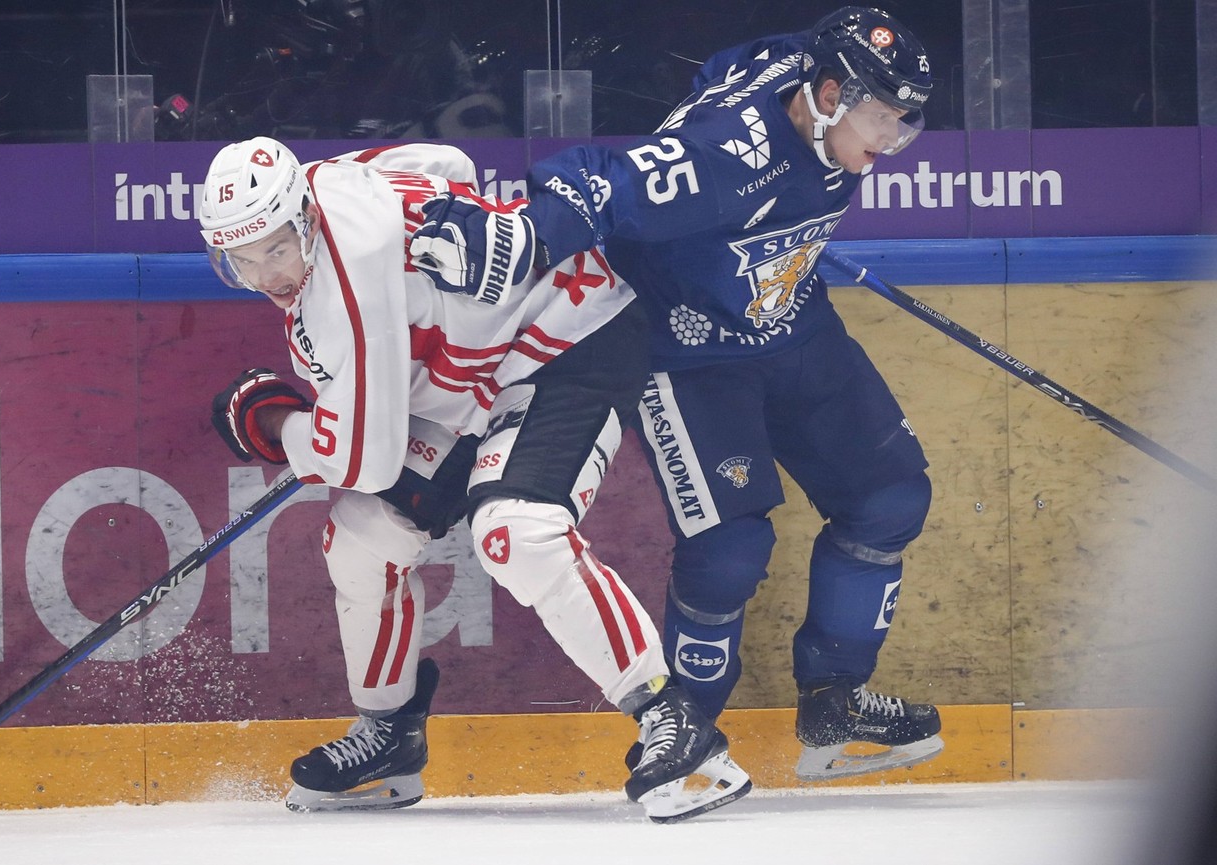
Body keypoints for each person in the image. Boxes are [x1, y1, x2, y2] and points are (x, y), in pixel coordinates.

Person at [408, 7, 943, 781]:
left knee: (892, 498)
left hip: (791, 320)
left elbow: (725, 64)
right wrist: (526, 230)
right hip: (689, 354)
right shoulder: (729, 158)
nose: (890, 142)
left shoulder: (804, 68)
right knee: (729, 550)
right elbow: (602, 179)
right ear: (828, 94)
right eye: (880, 120)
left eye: (903, 124)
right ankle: (682, 728)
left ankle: (836, 699)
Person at [196, 136, 752, 822]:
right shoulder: (332, 180)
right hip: (470, 380)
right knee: (363, 538)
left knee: (516, 532)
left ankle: (671, 714)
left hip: (567, 332)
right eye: (241, 261)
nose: (266, 275)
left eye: (277, 249)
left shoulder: (345, 288)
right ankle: (389, 732)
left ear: (304, 218)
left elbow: (364, 456)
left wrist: (278, 427)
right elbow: (446, 162)